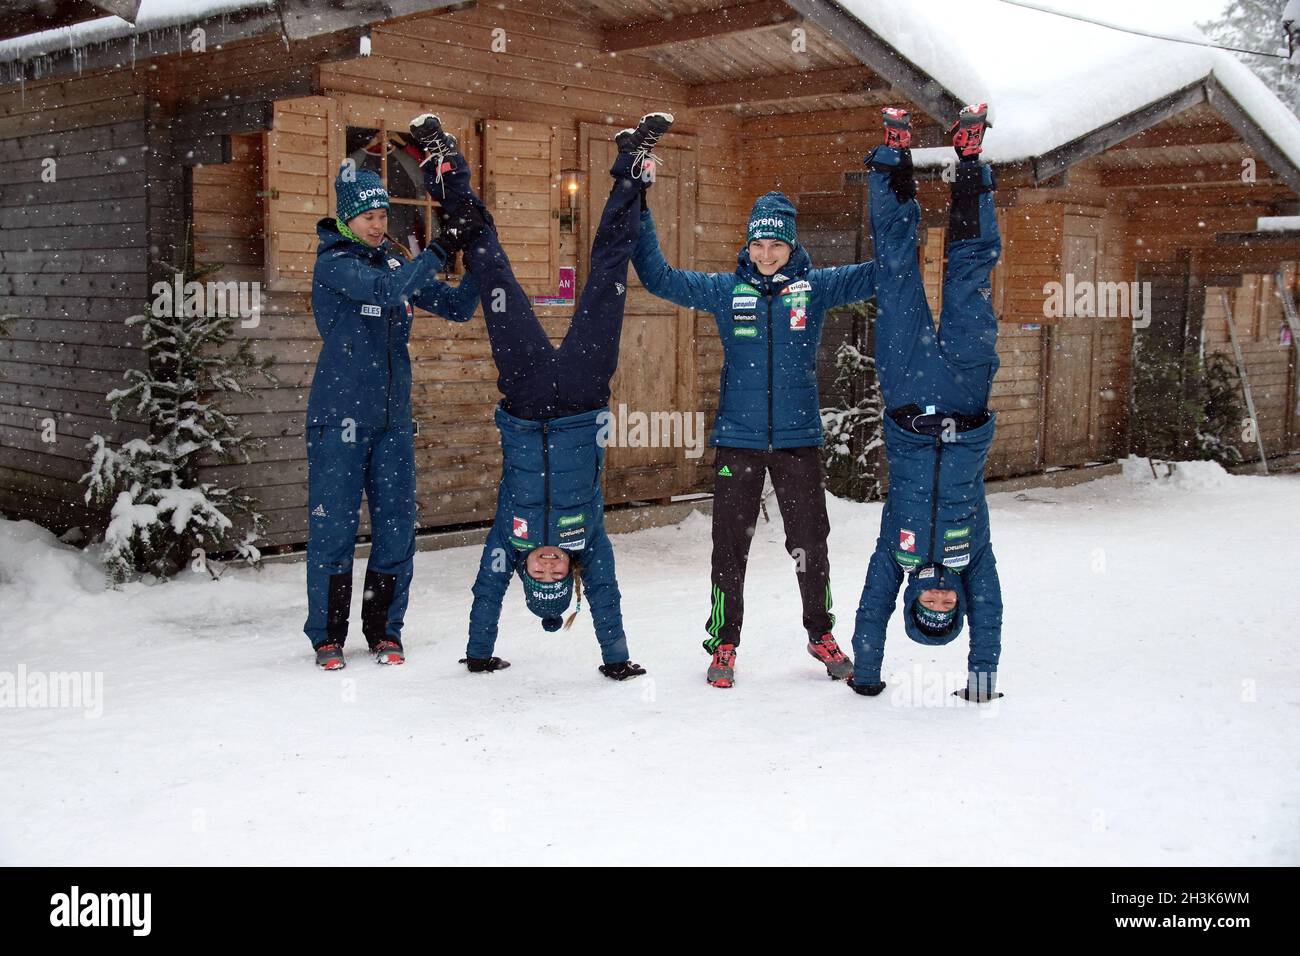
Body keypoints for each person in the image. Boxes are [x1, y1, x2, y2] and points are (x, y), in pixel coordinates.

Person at [408, 111, 673, 680]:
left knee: (491, 267)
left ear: (526, 572)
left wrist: (479, 653)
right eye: (559, 577)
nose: (550, 565)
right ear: (570, 573)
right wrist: (616, 659)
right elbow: (607, 599)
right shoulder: (590, 541)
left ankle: (446, 164)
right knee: (608, 279)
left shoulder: (510, 533)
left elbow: (485, 591)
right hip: (582, 395)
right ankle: (632, 169)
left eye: (540, 576)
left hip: (526, 397)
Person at [631, 172, 878, 688]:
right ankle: (723, 643)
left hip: (798, 440)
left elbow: (886, 270)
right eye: (758, 244)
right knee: (729, 546)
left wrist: (896, 194)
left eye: (776, 245)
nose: (766, 255)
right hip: (738, 441)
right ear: (748, 245)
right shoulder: (726, 291)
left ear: (792, 245)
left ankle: (820, 633)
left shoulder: (817, 288)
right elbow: (658, 277)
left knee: (811, 541)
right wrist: (638, 203)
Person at [848, 104, 1004, 702]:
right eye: (947, 607)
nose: (939, 597)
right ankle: (970, 159)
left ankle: (894, 153)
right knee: (969, 273)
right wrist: (981, 681)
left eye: (928, 606)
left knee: (896, 272)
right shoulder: (976, 558)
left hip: (908, 391)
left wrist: (867, 676)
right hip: (968, 391)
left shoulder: (897, 552)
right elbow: (988, 617)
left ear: (914, 599)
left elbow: (869, 609)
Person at [304, 165, 480, 670]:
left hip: (392, 423)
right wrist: (440, 248)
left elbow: (454, 306)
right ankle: (328, 637)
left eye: (383, 215)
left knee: (397, 526)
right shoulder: (336, 264)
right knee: (334, 530)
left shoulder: (395, 262)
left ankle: (384, 631)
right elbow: (386, 291)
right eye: (368, 217)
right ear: (348, 219)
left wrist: (479, 259)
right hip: (338, 419)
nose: (378, 225)